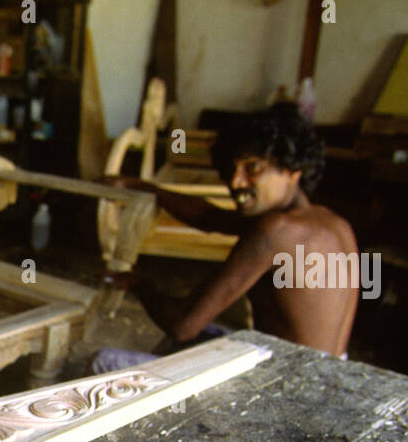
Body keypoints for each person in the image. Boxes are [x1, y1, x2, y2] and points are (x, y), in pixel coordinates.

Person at [99, 104, 358, 364]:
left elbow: (183, 324)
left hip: (290, 384)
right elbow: (209, 217)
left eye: (252, 168)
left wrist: (138, 284)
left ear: (292, 170)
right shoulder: (334, 224)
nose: (236, 182)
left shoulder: (275, 231)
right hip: (330, 372)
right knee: (192, 344)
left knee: (103, 362)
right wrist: (144, 187)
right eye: (232, 169)